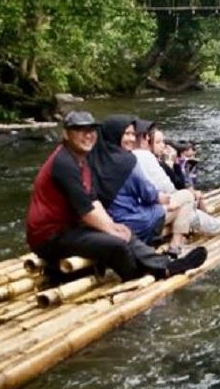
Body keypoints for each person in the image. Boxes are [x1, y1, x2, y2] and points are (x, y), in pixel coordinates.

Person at [25, 111, 204, 282]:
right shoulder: (64, 163)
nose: (88, 135)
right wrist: (110, 230)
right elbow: (85, 210)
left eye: (91, 131)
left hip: (70, 227)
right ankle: (137, 275)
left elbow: (93, 200)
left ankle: (166, 265)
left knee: (124, 232)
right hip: (49, 236)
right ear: (66, 134)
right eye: (80, 131)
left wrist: (112, 225)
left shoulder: (81, 159)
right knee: (117, 243)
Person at [89, 114, 206, 258]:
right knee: (186, 196)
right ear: (115, 134)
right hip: (134, 222)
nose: (132, 138)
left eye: (133, 134)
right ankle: (176, 244)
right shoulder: (127, 161)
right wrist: (169, 200)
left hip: (101, 223)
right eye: (127, 134)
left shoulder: (91, 159)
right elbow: (149, 194)